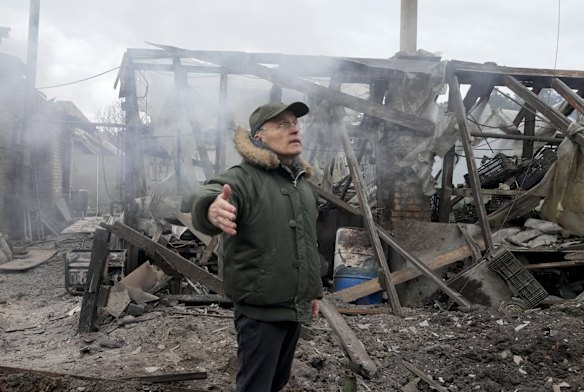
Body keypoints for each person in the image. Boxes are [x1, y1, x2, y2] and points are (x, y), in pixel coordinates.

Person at [188, 101, 323, 392]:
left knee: (276, 383)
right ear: (259, 136)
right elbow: (210, 192)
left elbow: (306, 243)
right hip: (260, 313)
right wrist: (211, 207)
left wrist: (312, 291)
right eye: (283, 124)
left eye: (295, 124)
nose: (295, 129)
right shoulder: (246, 177)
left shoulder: (301, 184)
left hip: (293, 308)